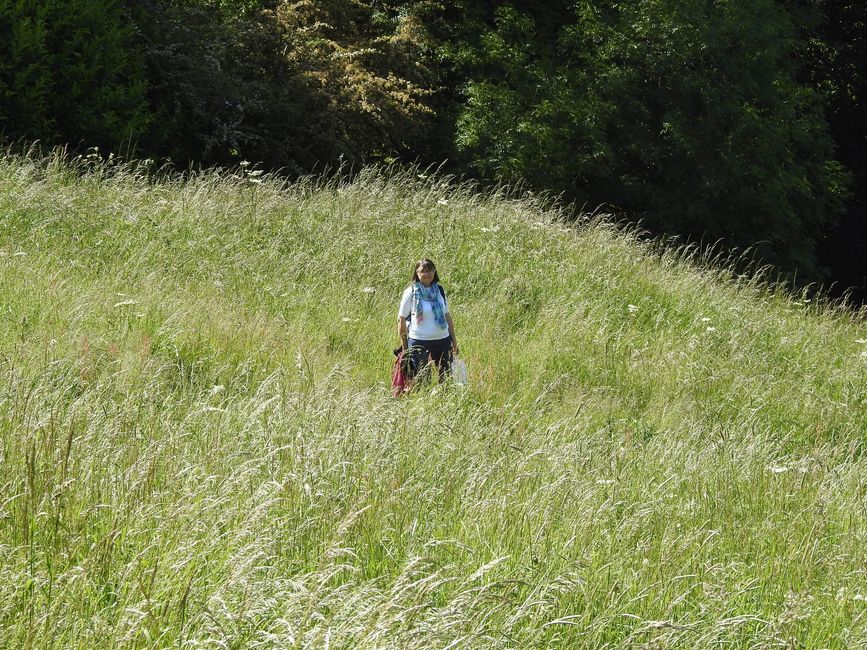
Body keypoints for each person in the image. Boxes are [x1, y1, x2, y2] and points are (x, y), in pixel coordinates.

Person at [397, 258, 459, 383]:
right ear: (416, 273)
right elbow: (401, 319)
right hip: (419, 341)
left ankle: (444, 401)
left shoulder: (440, 291)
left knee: (446, 378)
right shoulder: (411, 292)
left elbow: (447, 315)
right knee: (423, 380)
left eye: (429, 270)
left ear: (435, 271)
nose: (426, 274)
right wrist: (405, 346)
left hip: (443, 340)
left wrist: (454, 341)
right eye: (422, 271)